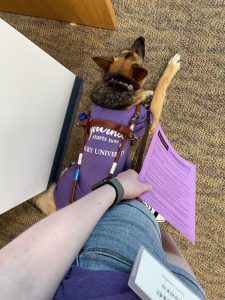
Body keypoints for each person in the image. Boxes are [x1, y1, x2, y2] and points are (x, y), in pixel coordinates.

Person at [0, 169, 206, 300]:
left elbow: (18, 278)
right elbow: (14, 277)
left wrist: (117, 188)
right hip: (179, 290)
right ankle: (152, 216)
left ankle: (151, 216)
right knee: (144, 219)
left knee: (139, 215)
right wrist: (115, 188)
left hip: (111, 276)